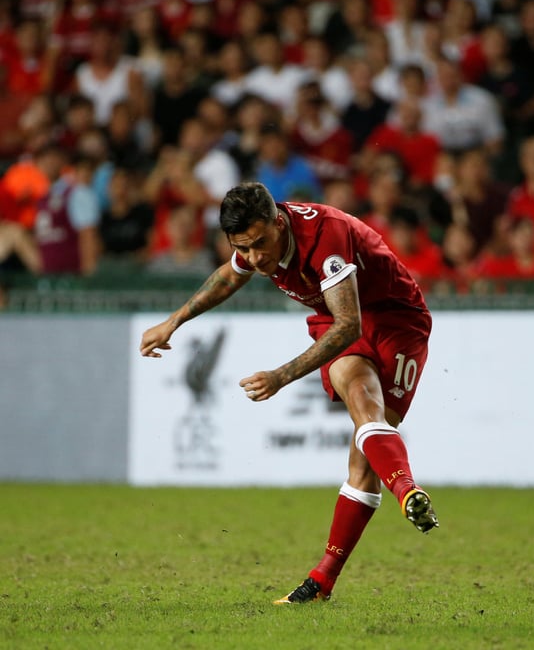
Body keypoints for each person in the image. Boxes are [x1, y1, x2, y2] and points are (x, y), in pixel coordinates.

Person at [139, 181, 438, 604]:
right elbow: (230, 276)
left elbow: (349, 324)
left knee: (363, 462)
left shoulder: (325, 239)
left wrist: (281, 376)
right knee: (362, 404)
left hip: (396, 322)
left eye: (260, 244)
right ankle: (403, 495)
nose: (255, 258)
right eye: (243, 248)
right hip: (334, 316)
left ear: (279, 222)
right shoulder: (255, 246)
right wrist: (174, 322)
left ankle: (334, 568)